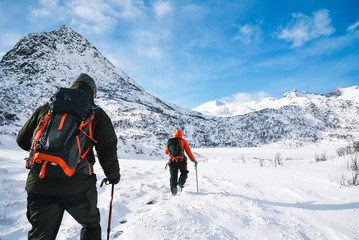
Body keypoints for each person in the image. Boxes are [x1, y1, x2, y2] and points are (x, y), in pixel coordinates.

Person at [17, 73, 121, 240]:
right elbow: (107, 150)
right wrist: (113, 176)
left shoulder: (48, 107)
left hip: (39, 180)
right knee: (91, 224)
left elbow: (22, 141)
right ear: (93, 95)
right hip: (77, 185)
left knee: (40, 236)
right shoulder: (97, 114)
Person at [165, 129, 198, 195]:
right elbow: (188, 152)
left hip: (172, 162)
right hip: (181, 162)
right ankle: (180, 185)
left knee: (173, 176)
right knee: (184, 173)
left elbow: (166, 152)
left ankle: (173, 192)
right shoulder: (183, 141)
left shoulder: (170, 141)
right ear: (181, 135)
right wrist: (193, 160)